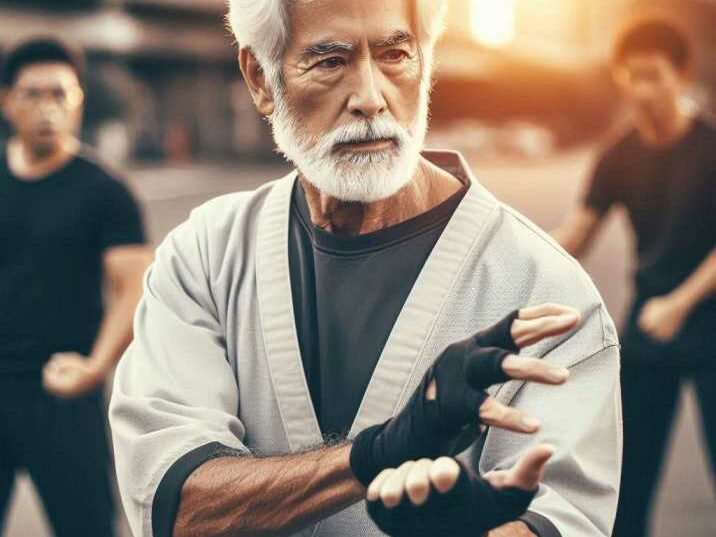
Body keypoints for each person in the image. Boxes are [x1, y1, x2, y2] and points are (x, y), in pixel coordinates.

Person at [109, 2, 622, 537]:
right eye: (330, 61)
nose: (371, 99)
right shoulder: (204, 258)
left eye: (396, 54)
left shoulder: (545, 291)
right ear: (260, 78)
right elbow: (175, 508)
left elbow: (563, 518)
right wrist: (380, 453)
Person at [554, 15, 716, 537]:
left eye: (654, 76)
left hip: (706, 321)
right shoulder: (617, 154)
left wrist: (680, 303)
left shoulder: (711, 147)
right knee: (628, 480)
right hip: (648, 324)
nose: (642, 90)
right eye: (633, 76)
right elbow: (576, 236)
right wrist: (503, 256)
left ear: (682, 75)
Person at [0, 38, 152, 537]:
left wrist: (96, 366)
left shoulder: (104, 191)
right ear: (6, 101)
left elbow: (133, 288)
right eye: (32, 94)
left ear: (79, 100)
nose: (47, 108)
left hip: (63, 392)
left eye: (60, 94)